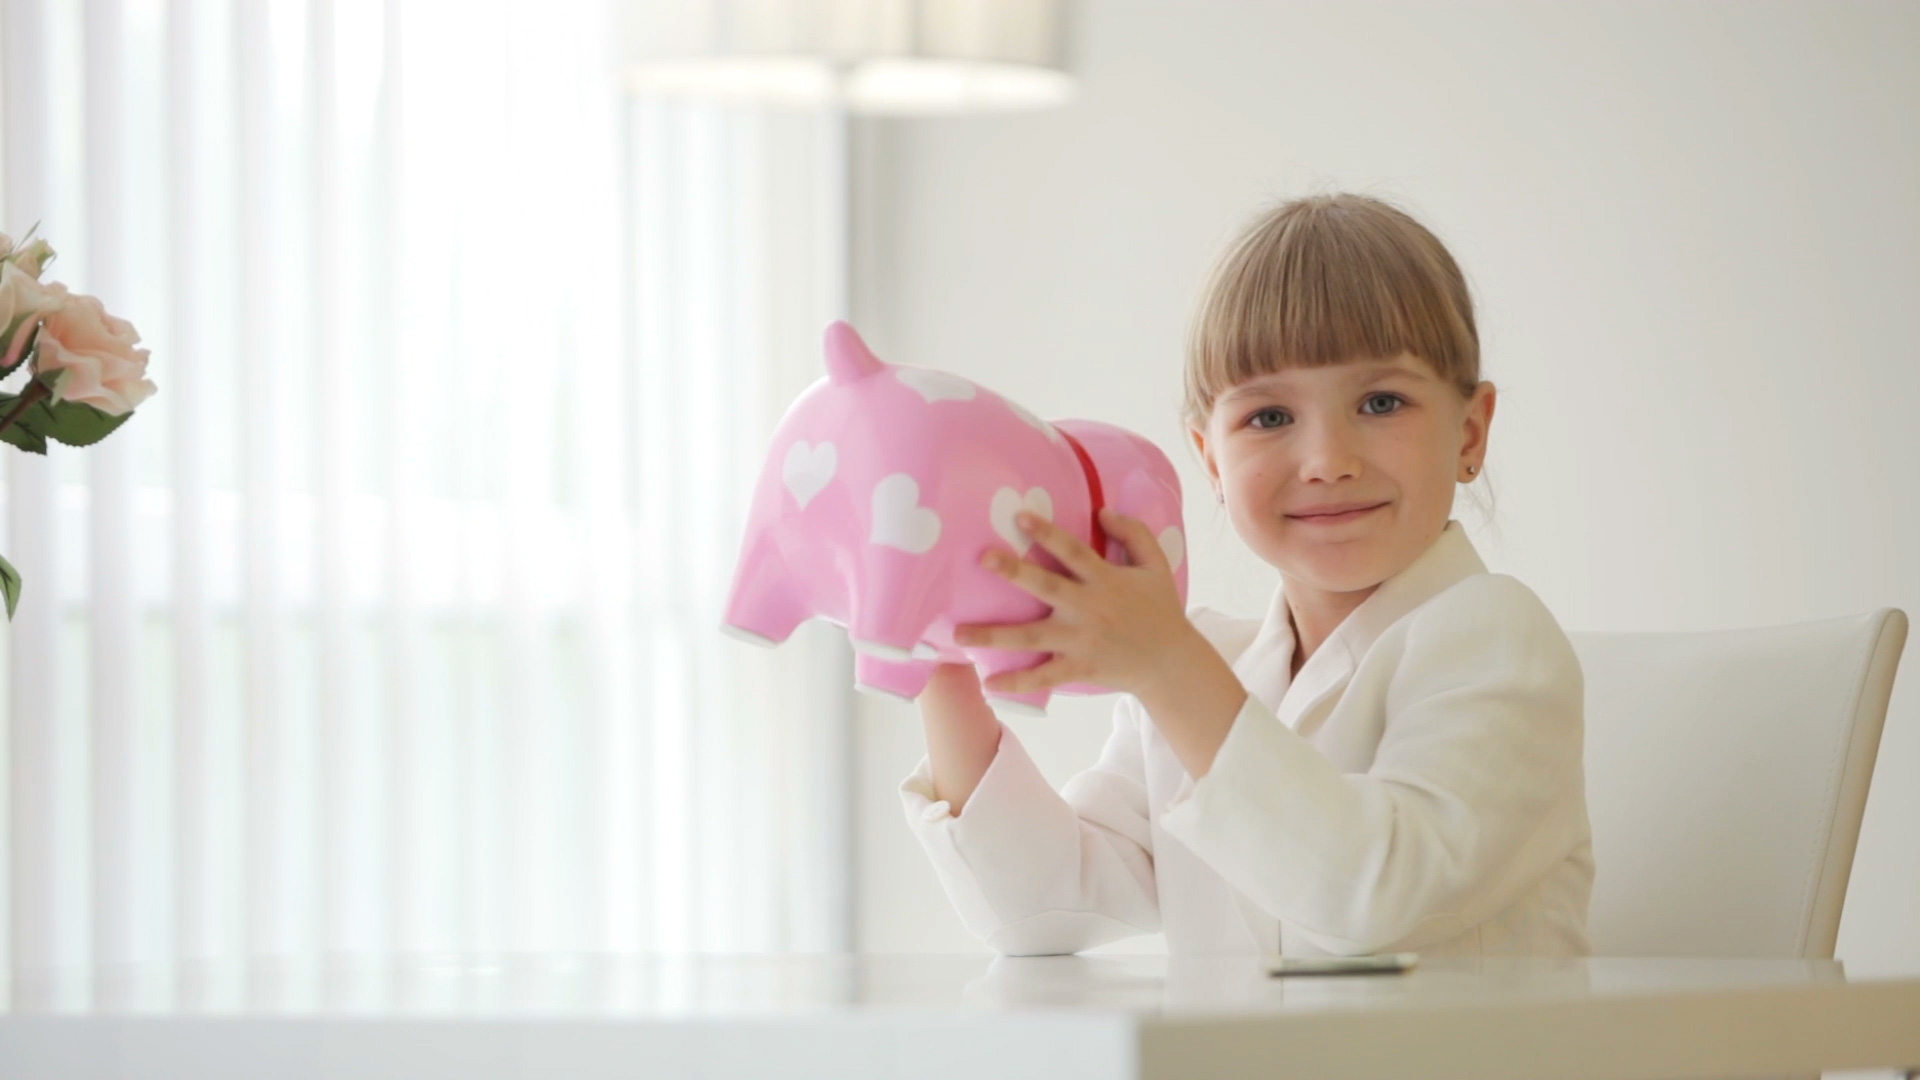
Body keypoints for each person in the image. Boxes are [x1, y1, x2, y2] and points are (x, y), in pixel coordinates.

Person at [900, 192, 1593, 958]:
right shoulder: (1207, 661)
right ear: (1211, 458)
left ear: (1471, 432)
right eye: (1268, 418)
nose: (1329, 461)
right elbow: (1039, 909)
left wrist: (1167, 668)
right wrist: (938, 648)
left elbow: (1375, 890)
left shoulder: (1497, 638)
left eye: (1381, 401)